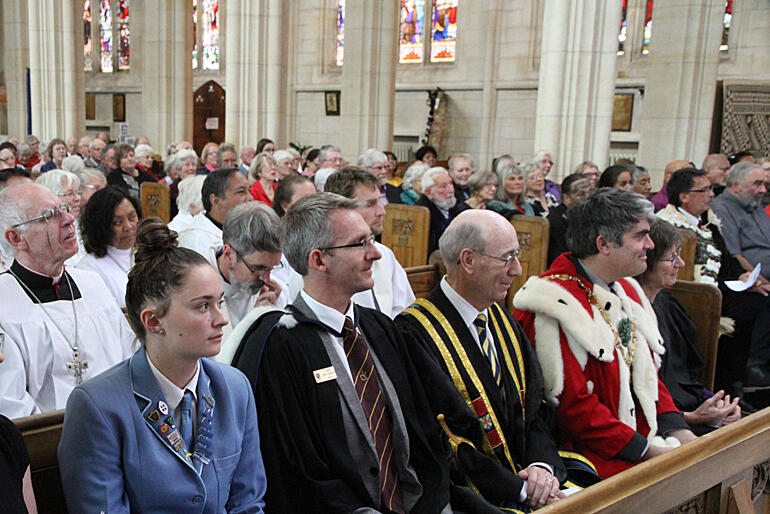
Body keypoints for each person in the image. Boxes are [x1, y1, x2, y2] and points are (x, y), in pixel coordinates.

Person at [230, 193, 487, 513]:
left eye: (372, 239)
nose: (376, 253)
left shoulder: (381, 329)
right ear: (319, 260)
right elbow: (295, 472)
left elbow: (425, 433)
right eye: (359, 243)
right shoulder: (281, 347)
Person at [57, 218, 266, 513]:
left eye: (219, 302)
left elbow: (248, 502)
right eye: (203, 306)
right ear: (153, 321)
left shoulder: (234, 388)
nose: (222, 319)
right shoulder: (98, 406)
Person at [514, 188, 695, 479]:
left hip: (642, 440)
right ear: (604, 244)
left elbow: (646, 374)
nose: (650, 244)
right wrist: (646, 450)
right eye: (640, 236)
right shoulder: (553, 303)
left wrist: (680, 431)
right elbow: (572, 407)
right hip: (591, 457)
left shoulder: (625, 289)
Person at [396, 210, 570, 509]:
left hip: (532, 479)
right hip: (473, 495)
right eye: (507, 258)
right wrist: (521, 490)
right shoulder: (415, 332)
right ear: (468, 260)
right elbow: (443, 439)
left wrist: (542, 468)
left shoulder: (503, 321)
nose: (517, 269)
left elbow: (536, 407)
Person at [0, 183, 136, 417]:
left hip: (119, 426)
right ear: (16, 237)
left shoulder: (92, 283)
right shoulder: (4, 301)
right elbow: (11, 403)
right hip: (46, 442)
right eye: (49, 215)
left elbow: (130, 358)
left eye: (63, 208)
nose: (68, 219)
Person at [636, 218, 741, 435]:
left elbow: (684, 377)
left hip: (689, 410)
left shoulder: (669, 304)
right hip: (658, 423)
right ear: (646, 261)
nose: (681, 264)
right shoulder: (628, 313)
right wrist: (692, 418)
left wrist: (715, 403)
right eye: (672, 258)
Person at [324, 166, 416, 318]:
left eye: (379, 201)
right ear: (341, 207)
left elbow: (405, 310)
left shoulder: (385, 254)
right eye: (370, 204)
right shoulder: (325, 259)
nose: (382, 211)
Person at [212, 203, 287, 364]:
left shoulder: (275, 290)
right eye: (258, 268)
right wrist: (255, 322)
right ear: (229, 254)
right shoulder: (197, 289)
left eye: (272, 267)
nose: (266, 278)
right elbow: (216, 364)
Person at [77, 187, 139, 309]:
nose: (128, 226)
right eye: (117, 222)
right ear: (101, 227)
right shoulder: (88, 269)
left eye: (132, 217)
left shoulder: (149, 251)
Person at [178, 167, 252, 266]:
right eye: (241, 192)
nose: (251, 198)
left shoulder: (244, 228)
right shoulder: (197, 241)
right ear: (215, 200)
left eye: (249, 191)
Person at [711, 161, 770, 281]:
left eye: (765, 184)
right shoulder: (721, 208)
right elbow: (735, 257)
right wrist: (762, 283)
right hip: (752, 280)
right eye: (757, 184)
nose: (763, 190)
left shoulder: (755, 203)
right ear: (737, 186)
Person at [547, 173, 592, 266]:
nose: (588, 198)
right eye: (581, 194)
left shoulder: (591, 216)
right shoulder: (557, 218)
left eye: (590, 192)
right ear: (567, 198)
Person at [416, 166, 462, 255]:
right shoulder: (421, 213)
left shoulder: (454, 206)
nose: (451, 190)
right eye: (443, 186)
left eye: (451, 183)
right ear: (428, 193)